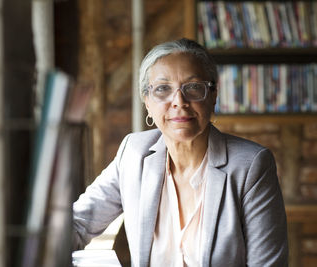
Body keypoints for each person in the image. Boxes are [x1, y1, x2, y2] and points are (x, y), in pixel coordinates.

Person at [73, 38, 288, 267]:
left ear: (213, 95)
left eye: (194, 87)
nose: (179, 102)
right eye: (163, 88)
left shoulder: (250, 166)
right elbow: (79, 223)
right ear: (147, 101)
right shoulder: (134, 153)